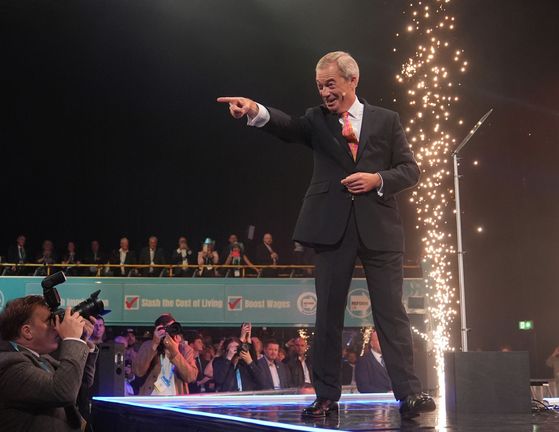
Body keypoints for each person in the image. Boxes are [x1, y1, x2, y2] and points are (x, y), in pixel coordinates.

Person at [217, 50, 433, 418]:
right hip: (331, 228)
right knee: (328, 316)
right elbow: (287, 127)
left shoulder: (387, 120)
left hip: (380, 229)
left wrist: (378, 179)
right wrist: (255, 109)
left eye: (330, 84)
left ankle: (409, 394)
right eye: (319, 86)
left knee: (392, 315)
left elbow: (410, 170)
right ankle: (327, 396)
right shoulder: (317, 120)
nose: (324, 93)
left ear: (353, 80)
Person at [0, 296, 99, 432]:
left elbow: (82, 382)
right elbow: (63, 392)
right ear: (27, 331)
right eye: (50, 321)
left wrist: (82, 340)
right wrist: (72, 339)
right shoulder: (10, 366)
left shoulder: (42, 358)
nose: (56, 327)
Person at [132, 314, 198, 395]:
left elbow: (191, 377)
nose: (171, 331)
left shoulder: (185, 349)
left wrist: (175, 352)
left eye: (173, 327)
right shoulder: (148, 346)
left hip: (175, 400)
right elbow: (138, 371)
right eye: (168, 328)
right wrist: (154, 345)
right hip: (152, 398)